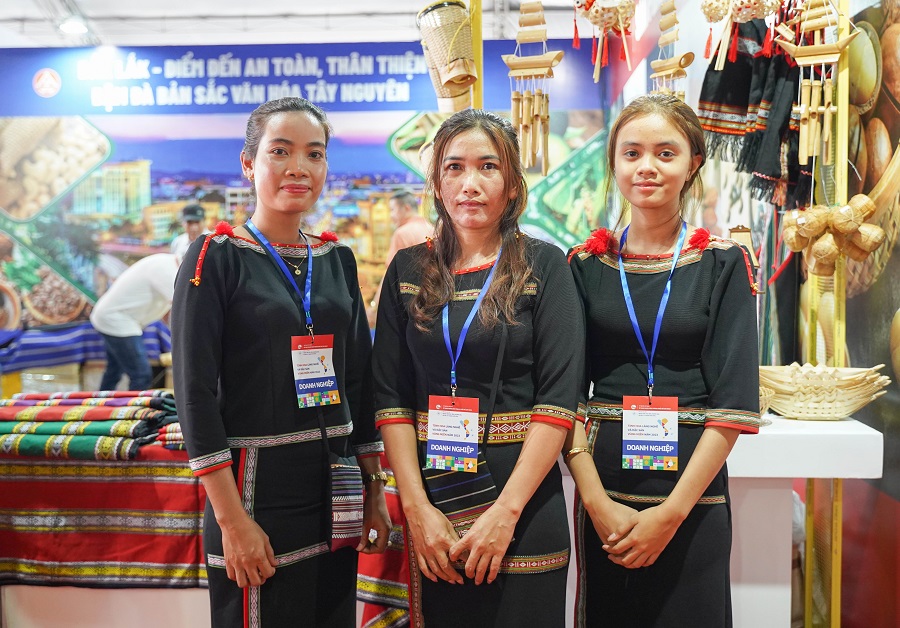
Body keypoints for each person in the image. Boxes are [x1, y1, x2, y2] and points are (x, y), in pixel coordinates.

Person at [171, 97, 391, 627]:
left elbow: (357, 381)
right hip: (254, 494)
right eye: (280, 151)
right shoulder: (215, 257)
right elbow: (194, 395)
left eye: (314, 154)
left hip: (334, 485)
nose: (299, 167)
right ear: (249, 164)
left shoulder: (336, 259)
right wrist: (231, 522)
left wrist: (374, 490)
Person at [372, 109, 584, 626]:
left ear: (512, 184)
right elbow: (391, 397)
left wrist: (505, 513)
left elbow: (558, 401)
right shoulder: (407, 268)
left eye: (488, 167)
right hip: (433, 504)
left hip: (524, 508)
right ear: (436, 183)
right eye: (454, 167)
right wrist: (416, 510)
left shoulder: (545, 265)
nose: (470, 183)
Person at [566, 93, 760, 627]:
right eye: (631, 153)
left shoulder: (723, 263)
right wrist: (595, 502)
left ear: (693, 163)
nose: (646, 167)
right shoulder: (584, 265)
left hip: (692, 497)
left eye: (665, 153)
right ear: (614, 162)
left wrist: (670, 515)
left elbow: (733, 403)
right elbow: (564, 395)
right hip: (604, 494)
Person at [89, 252, 180, 391]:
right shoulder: (167, 270)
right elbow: (182, 305)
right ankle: (135, 406)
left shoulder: (165, 262)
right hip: (116, 320)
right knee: (141, 375)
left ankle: (100, 403)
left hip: (113, 317)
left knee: (114, 371)